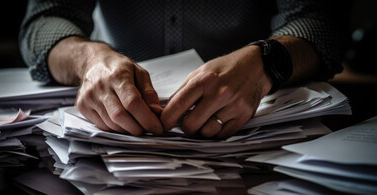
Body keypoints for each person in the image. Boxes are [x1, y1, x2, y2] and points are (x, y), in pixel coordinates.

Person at [19, 0, 343, 139]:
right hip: (110, 139)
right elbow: (45, 20)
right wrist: (88, 59)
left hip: (257, 131)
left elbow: (321, 21)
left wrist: (265, 64)